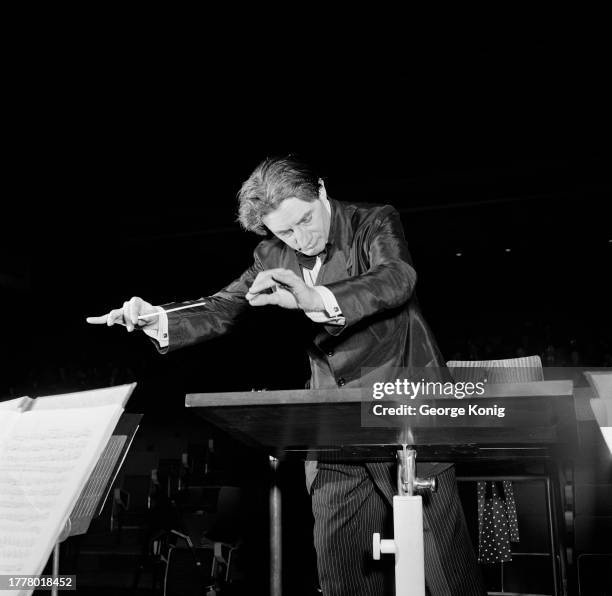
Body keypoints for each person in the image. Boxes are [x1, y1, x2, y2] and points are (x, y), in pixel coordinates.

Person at [87, 156, 485, 595]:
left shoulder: (373, 221)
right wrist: (157, 319)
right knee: (343, 570)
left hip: (404, 404)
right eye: (285, 232)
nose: (301, 239)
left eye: (305, 221)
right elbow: (224, 306)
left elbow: (396, 278)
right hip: (332, 422)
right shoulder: (271, 254)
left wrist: (315, 296)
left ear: (320, 189)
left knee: (444, 567)